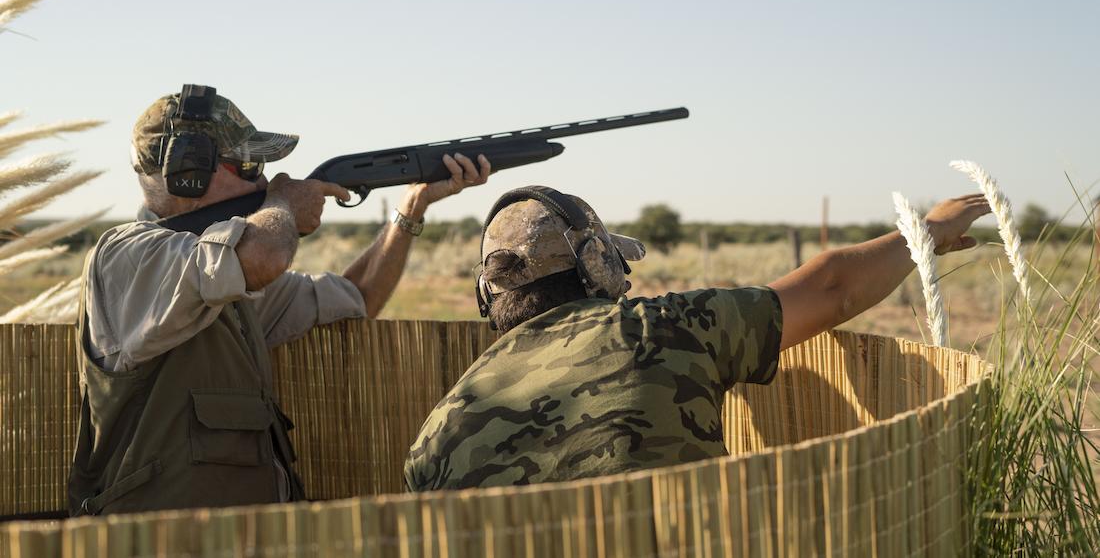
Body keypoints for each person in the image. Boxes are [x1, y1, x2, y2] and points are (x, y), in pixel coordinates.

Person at [67, 84, 491, 515]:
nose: (265, 179)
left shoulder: (221, 281)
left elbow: (357, 297)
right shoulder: (127, 256)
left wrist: (411, 209)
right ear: (188, 172)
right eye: (249, 165)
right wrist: (283, 204)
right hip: (155, 541)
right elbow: (263, 255)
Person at [404, 185, 990, 491]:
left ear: (489, 298)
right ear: (596, 270)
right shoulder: (660, 328)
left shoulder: (436, 435)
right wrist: (927, 230)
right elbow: (834, 287)